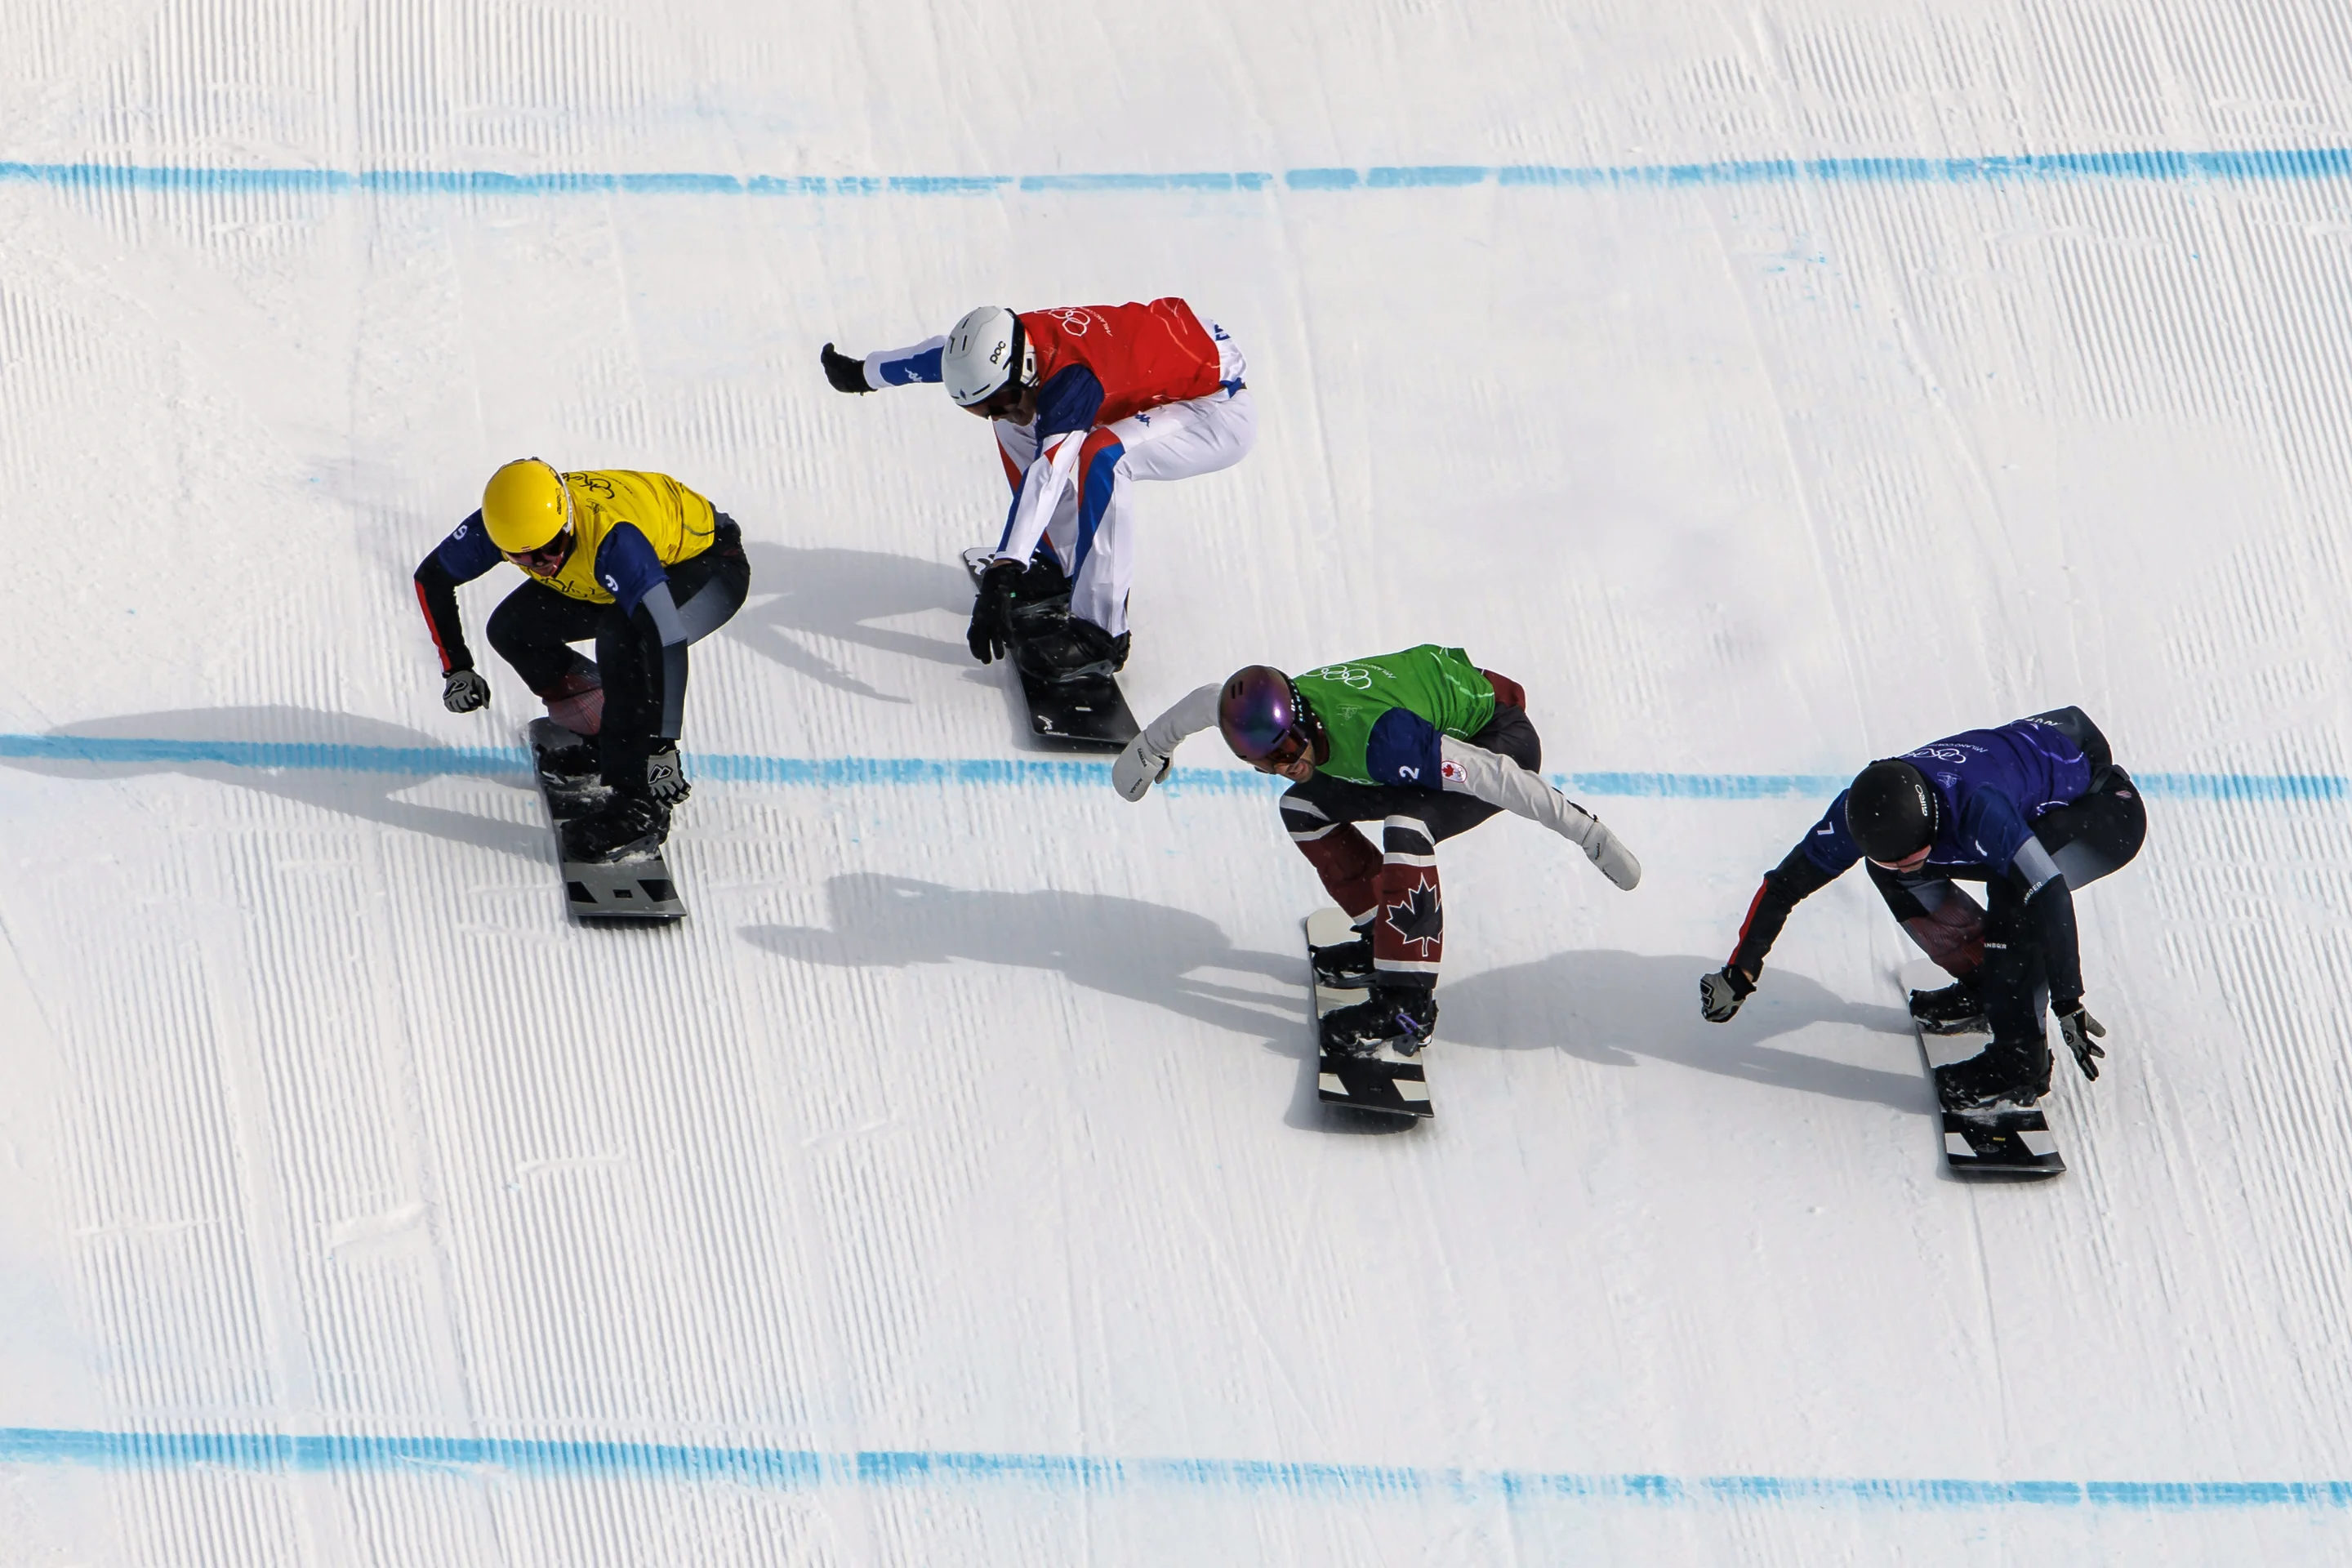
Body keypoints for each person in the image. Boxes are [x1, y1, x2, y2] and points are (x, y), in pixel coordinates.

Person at [1112, 648, 1642, 1054]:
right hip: (1419, 726)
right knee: (1302, 807)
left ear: (1303, 721)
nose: (1285, 767)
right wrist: (1147, 751)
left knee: (1407, 825)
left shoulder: (1384, 741)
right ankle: (1381, 939)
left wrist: (1591, 836)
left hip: (1499, 741)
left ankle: (1408, 1007)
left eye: (1290, 753)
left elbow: (1502, 778)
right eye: (1266, 764)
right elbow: (1206, 701)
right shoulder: (1265, 716)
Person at [1697, 707, 2146, 1108]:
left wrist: (2069, 1000)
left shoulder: (1977, 808)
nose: (1905, 866)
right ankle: (1990, 986)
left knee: (2015, 891)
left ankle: (2022, 1062)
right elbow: (1783, 886)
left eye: (1913, 856)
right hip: (2039, 757)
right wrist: (1741, 971)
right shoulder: (1858, 808)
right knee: (1899, 876)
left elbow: (2047, 892)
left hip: (2104, 805)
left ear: (1936, 828)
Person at [820, 299, 1254, 681]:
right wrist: (865, 373)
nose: (994, 412)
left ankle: (1103, 633)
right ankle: (1062, 562)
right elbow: (948, 356)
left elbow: (1048, 474)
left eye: (998, 400)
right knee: (1016, 426)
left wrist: (1005, 568)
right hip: (1180, 349)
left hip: (1216, 406)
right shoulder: (1011, 343)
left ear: (1023, 370)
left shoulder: (1070, 383)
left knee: (1104, 456)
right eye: (979, 408)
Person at [412, 460, 750, 861]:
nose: (543, 564)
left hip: (705, 564)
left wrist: (661, 746)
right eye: (523, 559)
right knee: (513, 630)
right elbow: (431, 578)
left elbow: (667, 637)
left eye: (550, 549)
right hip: (606, 575)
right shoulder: (505, 523)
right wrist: (457, 667)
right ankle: (606, 740)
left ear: (567, 521)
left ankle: (642, 807)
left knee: (626, 640)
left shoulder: (614, 539)